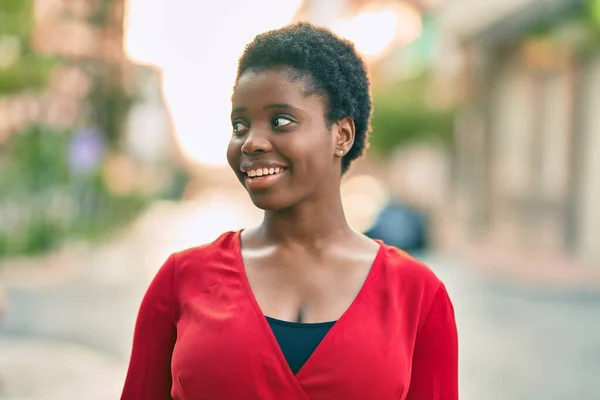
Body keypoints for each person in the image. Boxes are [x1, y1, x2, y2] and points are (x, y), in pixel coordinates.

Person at [121, 22, 458, 400]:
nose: (251, 142)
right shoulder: (180, 281)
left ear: (342, 135)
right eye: (240, 124)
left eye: (281, 120)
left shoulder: (418, 296)